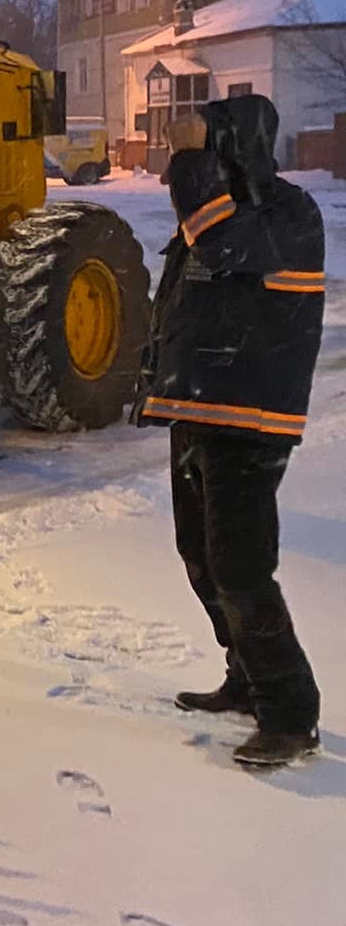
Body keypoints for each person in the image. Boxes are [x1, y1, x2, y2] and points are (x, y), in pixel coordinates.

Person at [135, 94, 323, 766]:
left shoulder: (287, 213)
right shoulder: (230, 211)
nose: (178, 170)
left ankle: (290, 713)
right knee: (202, 556)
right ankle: (244, 675)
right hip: (200, 410)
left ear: (235, 148)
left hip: (251, 418)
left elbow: (216, 238)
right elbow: (185, 302)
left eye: (206, 151)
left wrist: (190, 156)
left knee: (243, 569)